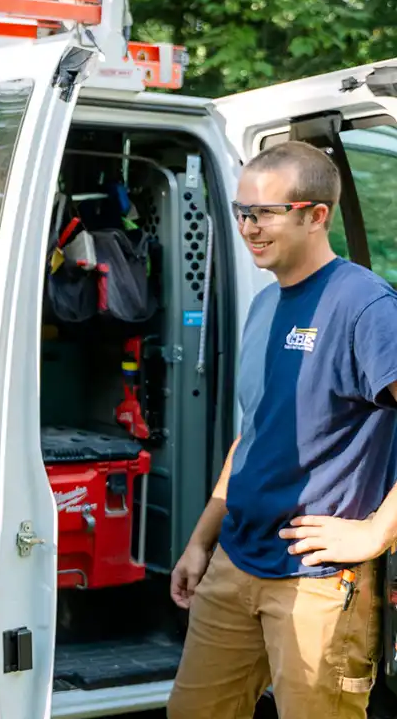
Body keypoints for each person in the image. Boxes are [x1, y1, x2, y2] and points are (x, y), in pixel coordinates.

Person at [166, 139, 397, 718]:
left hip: (318, 578)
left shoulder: (365, 306)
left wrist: (376, 533)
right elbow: (255, 434)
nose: (248, 227)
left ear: (316, 215)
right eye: (242, 212)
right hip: (236, 559)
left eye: (266, 212)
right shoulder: (266, 305)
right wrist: (201, 540)